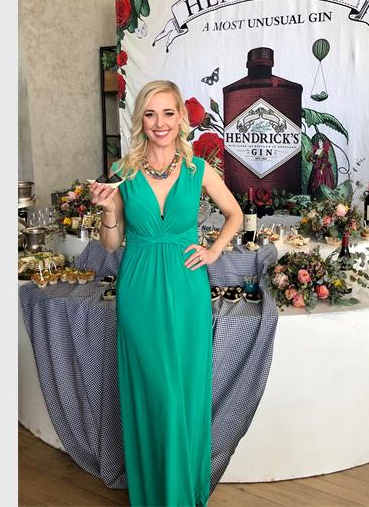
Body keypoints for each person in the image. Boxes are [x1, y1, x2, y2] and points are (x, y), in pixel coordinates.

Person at [89, 80, 243, 506]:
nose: (160, 123)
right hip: (139, 292)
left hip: (187, 289)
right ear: (141, 120)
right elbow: (111, 245)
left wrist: (213, 250)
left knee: (184, 391)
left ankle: (181, 489)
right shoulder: (123, 172)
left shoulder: (198, 170)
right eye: (150, 114)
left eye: (168, 113)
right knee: (158, 393)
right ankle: (160, 492)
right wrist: (108, 211)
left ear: (181, 119)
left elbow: (235, 213)